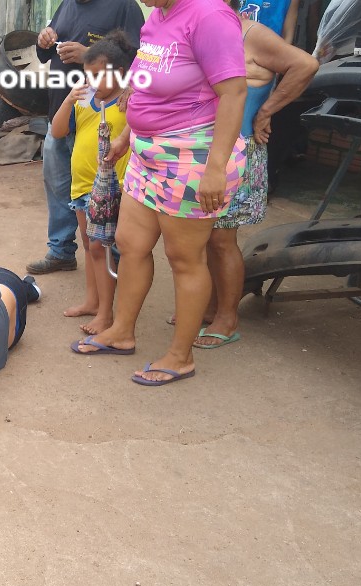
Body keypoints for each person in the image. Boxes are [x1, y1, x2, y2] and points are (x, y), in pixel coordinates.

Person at [77, 0, 246, 387]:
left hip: (192, 155)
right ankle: (121, 331)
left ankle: (180, 355)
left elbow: (235, 93)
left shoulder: (209, 16)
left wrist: (215, 167)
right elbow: (145, 87)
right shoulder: (158, 16)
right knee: (129, 241)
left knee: (184, 257)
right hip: (146, 152)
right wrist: (124, 136)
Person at [193, 1, 318, 348]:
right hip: (205, 150)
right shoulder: (202, 31)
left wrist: (267, 111)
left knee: (221, 239)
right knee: (202, 236)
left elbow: (306, 64)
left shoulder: (251, 33)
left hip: (238, 151)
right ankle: (210, 305)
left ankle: (227, 318)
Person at [26, 0, 144, 276]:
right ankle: (61, 251)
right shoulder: (67, 4)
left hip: (102, 118)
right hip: (63, 109)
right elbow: (44, 55)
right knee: (60, 186)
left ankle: (113, 255)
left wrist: (88, 54)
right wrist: (43, 41)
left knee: (104, 190)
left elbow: (139, 58)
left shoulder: (124, 6)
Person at [50, 31, 134, 337]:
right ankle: (92, 300)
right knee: (89, 245)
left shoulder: (129, 100)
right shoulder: (84, 98)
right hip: (82, 186)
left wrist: (132, 87)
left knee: (102, 248)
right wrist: (68, 100)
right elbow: (58, 132)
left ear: (121, 73)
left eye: (99, 74)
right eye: (88, 74)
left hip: (113, 188)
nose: (93, 81)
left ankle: (105, 313)